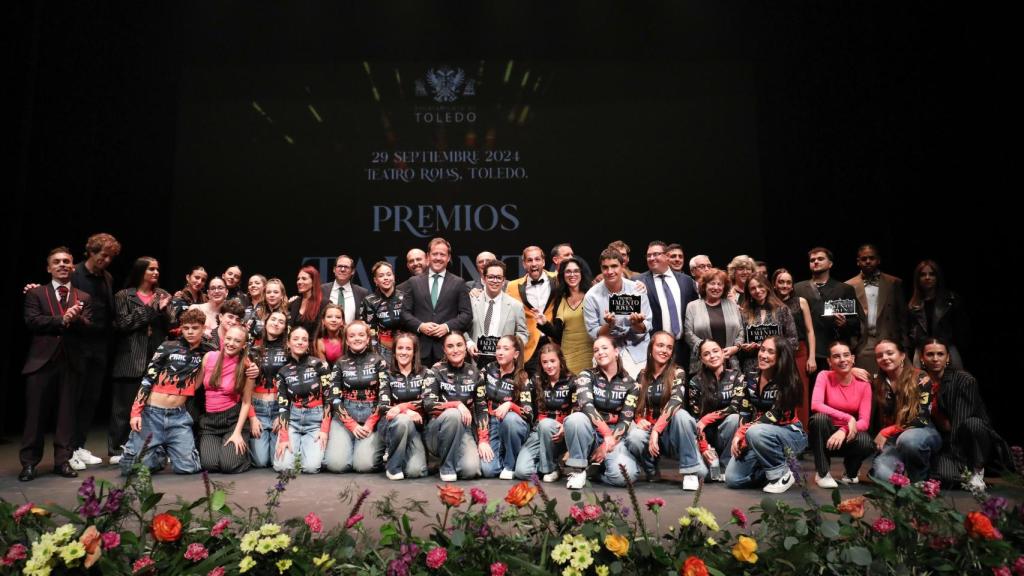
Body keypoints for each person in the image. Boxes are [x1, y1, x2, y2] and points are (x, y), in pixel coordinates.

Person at [19, 247, 93, 481]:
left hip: (70, 362)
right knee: (35, 416)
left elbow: (90, 325)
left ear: (73, 267)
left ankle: (62, 461)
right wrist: (62, 319)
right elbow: (33, 321)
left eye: (67, 262)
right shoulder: (36, 294)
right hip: (41, 363)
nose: (62, 265)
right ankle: (29, 463)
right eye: (57, 262)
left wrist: (76, 318)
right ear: (49, 267)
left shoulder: (83, 296)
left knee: (66, 415)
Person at [119, 308, 212, 476]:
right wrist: (135, 412)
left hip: (178, 416)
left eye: (195, 328)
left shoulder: (207, 351)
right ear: (181, 328)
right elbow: (148, 378)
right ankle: (158, 451)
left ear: (203, 328)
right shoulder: (168, 346)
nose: (190, 332)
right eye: (186, 328)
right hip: (152, 413)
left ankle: (160, 447)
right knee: (131, 470)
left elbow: (231, 354)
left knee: (188, 468)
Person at [920, 339, 1013, 490]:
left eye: (940, 354)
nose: (935, 358)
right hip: (945, 441)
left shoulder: (964, 380)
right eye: (930, 354)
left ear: (948, 358)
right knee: (946, 478)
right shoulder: (920, 382)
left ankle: (977, 470)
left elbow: (960, 421)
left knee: (972, 423)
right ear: (922, 358)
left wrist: (955, 457)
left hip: (970, 439)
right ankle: (959, 470)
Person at [109, 256, 173, 465]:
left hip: (156, 356)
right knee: (124, 407)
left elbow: (170, 326)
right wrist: (151, 309)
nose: (155, 272)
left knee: (153, 408)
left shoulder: (162, 295)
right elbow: (123, 323)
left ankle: (152, 449)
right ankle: (117, 448)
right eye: (151, 269)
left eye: (157, 269)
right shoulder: (124, 296)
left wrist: (163, 311)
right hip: (130, 356)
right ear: (141, 271)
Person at [623, 332, 706, 490]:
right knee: (634, 436)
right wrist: (639, 419)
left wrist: (656, 430)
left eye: (669, 347)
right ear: (650, 349)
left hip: (672, 434)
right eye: (660, 345)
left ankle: (690, 471)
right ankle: (651, 468)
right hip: (649, 435)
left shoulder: (678, 372)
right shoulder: (641, 375)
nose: (664, 350)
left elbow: (676, 402)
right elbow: (632, 405)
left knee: (703, 474)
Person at [724, 337, 807, 493]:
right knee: (733, 479)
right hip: (759, 434)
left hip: (789, 433)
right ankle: (782, 468)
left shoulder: (789, 381)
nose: (763, 355)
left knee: (755, 432)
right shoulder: (750, 376)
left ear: (781, 356)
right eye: (762, 349)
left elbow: (775, 415)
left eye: (770, 352)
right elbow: (745, 410)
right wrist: (739, 436)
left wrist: (743, 433)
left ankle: (781, 474)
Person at [69, 233, 120, 469]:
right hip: (77, 344)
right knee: (74, 397)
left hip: (99, 346)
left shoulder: (106, 277)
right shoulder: (75, 274)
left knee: (91, 398)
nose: (107, 260)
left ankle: (78, 445)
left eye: (110, 257)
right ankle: (67, 449)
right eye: (103, 255)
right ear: (91, 251)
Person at [562, 336, 642, 489]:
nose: (600, 352)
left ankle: (596, 472)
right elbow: (586, 405)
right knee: (575, 419)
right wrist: (605, 435)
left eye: (605, 348)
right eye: (596, 350)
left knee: (625, 478)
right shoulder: (586, 375)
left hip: (614, 436)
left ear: (616, 351)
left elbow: (626, 419)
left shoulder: (631, 384)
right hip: (590, 431)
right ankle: (578, 470)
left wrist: (607, 443)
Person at [869, 340, 940, 483]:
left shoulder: (921, 378)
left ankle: (920, 484)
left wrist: (887, 431)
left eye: (890, 353)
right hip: (894, 440)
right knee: (880, 472)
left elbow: (922, 419)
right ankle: (907, 490)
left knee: (908, 440)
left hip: (922, 431)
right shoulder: (878, 382)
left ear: (902, 355)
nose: (885, 358)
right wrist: (853, 369)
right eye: (879, 355)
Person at [323, 321, 388, 473]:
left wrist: (370, 424)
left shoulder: (380, 361)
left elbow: (385, 396)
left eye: (361, 335)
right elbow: (334, 397)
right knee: (336, 465)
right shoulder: (340, 363)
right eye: (352, 335)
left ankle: (360, 450)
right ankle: (349, 446)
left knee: (363, 466)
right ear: (346, 340)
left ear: (367, 339)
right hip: (346, 414)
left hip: (372, 416)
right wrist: (351, 425)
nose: (356, 338)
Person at [808, 342, 874, 488]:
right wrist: (849, 418)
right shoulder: (824, 375)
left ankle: (850, 473)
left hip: (846, 435)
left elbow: (864, 422)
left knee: (866, 441)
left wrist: (843, 430)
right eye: (836, 356)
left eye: (846, 355)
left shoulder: (864, 385)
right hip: (825, 434)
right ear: (829, 362)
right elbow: (816, 405)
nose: (842, 359)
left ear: (853, 358)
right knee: (819, 419)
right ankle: (823, 473)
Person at [399, 237, 472, 366]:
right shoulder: (414, 282)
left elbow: (466, 315)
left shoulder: (459, 283)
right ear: (428, 256)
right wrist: (421, 326)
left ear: (448, 258)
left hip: (447, 349)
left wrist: (447, 327)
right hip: (420, 349)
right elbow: (405, 314)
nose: (438, 258)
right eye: (435, 254)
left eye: (442, 254)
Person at [422, 331, 483, 481]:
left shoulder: (475, 373)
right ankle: (446, 466)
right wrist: (456, 405)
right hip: (437, 429)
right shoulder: (435, 371)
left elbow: (482, 409)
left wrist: (483, 440)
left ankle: (447, 459)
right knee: (453, 413)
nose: (455, 350)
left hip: (464, 429)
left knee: (471, 470)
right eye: (450, 346)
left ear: (465, 348)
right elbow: (428, 404)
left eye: (459, 345)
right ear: (444, 350)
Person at [583, 248, 652, 378]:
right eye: (605, 267)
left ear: (622, 266)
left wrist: (636, 324)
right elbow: (594, 334)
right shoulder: (591, 296)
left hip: (638, 350)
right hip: (607, 352)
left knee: (640, 392)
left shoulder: (636, 289)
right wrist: (609, 325)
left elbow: (647, 326)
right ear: (601, 269)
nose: (610, 271)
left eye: (614, 266)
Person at [793, 247, 861, 378]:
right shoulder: (798, 288)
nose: (816, 262)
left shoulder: (844, 289)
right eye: (812, 260)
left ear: (830, 263)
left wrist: (844, 323)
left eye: (820, 259)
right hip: (807, 351)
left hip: (833, 349)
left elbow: (856, 323)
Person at [680, 339, 745, 474]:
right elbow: (696, 419)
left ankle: (728, 465)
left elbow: (736, 406)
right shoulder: (695, 382)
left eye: (716, 351)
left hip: (728, 435)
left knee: (734, 418)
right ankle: (708, 459)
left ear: (723, 353)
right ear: (701, 359)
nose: (713, 356)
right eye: (706, 354)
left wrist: (708, 418)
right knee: (704, 475)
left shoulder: (736, 376)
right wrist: (704, 447)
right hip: (705, 436)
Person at [272, 327, 332, 474]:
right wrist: (284, 437)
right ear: (288, 343)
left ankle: (305, 451)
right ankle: (295, 449)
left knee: (311, 468)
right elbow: (283, 406)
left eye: (304, 339)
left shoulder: (321, 365)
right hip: (293, 419)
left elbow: (328, 399)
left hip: (316, 420)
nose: (300, 342)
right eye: (296, 339)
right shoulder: (282, 372)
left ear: (308, 344)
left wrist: (324, 430)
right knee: (283, 467)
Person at [514, 343, 576, 482]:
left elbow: (577, 408)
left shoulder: (572, 380)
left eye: (553, 361)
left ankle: (550, 468)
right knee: (522, 472)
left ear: (561, 360)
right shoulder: (535, 380)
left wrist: (566, 427)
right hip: (538, 430)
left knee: (547, 424)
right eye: (545, 362)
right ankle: (556, 464)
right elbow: (527, 407)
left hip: (562, 432)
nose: (549, 366)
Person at [197, 325, 254, 473]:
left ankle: (245, 453)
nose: (231, 343)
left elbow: (247, 402)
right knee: (209, 465)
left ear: (243, 345)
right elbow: (195, 385)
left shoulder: (247, 366)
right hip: (210, 422)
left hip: (232, 420)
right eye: (228, 338)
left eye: (237, 341)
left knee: (228, 465)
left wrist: (237, 432)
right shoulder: (209, 357)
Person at [476, 335, 533, 479]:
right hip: (491, 423)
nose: (500, 352)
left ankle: (510, 465)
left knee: (511, 420)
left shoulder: (522, 378)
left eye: (505, 349)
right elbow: (480, 402)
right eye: (498, 348)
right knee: (489, 471)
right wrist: (483, 439)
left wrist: (511, 405)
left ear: (515, 354)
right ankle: (506, 455)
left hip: (513, 425)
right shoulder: (488, 369)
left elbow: (529, 414)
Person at [378, 332, 434, 480]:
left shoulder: (426, 373)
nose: (404, 352)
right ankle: (393, 467)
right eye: (400, 348)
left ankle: (402, 455)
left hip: (417, 427)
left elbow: (428, 402)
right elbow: (383, 406)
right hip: (392, 425)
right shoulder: (386, 374)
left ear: (414, 352)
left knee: (416, 471)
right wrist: (406, 412)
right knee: (403, 420)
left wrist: (402, 407)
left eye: (408, 348)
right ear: (394, 351)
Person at [845, 245, 909, 370]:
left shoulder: (893, 283)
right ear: (858, 262)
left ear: (878, 260)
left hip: (890, 338)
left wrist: (905, 346)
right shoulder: (848, 285)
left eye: (871, 258)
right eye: (864, 259)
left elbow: (902, 317)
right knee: (866, 381)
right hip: (863, 342)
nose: (868, 261)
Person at [638, 240, 699, 365]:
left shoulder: (686, 281)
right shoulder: (638, 281)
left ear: (666, 256)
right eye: (648, 255)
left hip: (682, 348)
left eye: (656, 254)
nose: (651, 258)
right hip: (654, 349)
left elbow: (695, 309)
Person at [772, 268, 817, 429]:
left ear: (792, 285)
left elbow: (810, 330)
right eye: (781, 282)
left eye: (788, 282)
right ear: (775, 285)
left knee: (801, 392)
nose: (785, 285)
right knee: (780, 391)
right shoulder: (770, 303)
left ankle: (802, 431)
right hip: (777, 353)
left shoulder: (801, 301)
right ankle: (783, 430)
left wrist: (811, 357)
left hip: (800, 351)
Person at [536, 258, 594, 374]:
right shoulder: (560, 299)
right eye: (568, 272)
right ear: (563, 275)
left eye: (576, 271)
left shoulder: (592, 295)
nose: (572, 275)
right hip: (567, 355)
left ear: (582, 273)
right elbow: (557, 335)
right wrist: (544, 324)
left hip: (590, 353)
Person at [908, 260, 970, 369]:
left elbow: (961, 327)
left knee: (955, 381)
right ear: (918, 278)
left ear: (938, 277)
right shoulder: (913, 305)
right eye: (923, 274)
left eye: (932, 274)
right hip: (922, 349)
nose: (927, 277)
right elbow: (909, 331)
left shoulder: (950, 300)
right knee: (920, 383)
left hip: (947, 348)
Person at [467, 260, 528, 367]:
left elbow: (522, 333)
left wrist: (510, 348)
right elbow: (462, 327)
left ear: (503, 280)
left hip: (504, 363)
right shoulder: (471, 301)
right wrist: (469, 343)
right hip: (475, 360)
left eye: (499, 277)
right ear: (484, 279)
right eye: (491, 277)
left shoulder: (515, 305)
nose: (495, 281)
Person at [505, 245, 557, 371]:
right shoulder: (512, 286)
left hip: (553, 340)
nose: (534, 263)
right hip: (529, 345)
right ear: (524, 264)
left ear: (543, 262)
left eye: (537, 259)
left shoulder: (557, 279)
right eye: (529, 260)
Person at [683, 268, 744, 375]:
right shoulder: (692, 306)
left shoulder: (733, 305)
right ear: (704, 286)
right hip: (702, 363)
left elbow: (741, 331)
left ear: (724, 287)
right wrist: (709, 350)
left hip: (730, 362)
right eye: (712, 283)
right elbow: (688, 334)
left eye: (720, 284)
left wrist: (736, 347)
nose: (716, 287)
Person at [249, 310, 289, 468]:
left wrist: (283, 415)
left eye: (281, 321)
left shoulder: (289, 351)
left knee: (275, 461)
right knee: (260, 462)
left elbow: (292, 386)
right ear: (265, 323)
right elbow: (244, 389)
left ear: (285, 327)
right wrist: (252, 417)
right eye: (273, 319)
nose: (276, 323)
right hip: (257, 408)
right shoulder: (252, 351)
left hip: (278, 408)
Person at [737, 275, 798, 373]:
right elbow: (740, 339)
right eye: (753, 288)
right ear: (749, 292)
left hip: (777, 365)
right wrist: (744, 347)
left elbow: (793, 342)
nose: (757, 290)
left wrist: (773, 347)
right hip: (752, 366)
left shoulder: (782, 310)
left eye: (760, 286)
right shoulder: (744, 313)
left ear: (767, 287)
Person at [360, 261, 406, 365]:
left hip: (405, 348)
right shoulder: (369, 301)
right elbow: (370, 330)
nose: (386, 278)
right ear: (376, 280)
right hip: (382, 349)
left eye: (389, 274)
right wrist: (375, 354)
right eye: (381, 276)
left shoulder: (405, 297)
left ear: (393, 277)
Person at [321, 254, 369, 323]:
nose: (342, 269)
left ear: (352, 271)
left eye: (346, 267)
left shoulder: (362, 293)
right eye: (340, 266)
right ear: (334, 269)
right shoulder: (322, 290)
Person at [289, 265, 326, 338]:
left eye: (304, 279)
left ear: (313, 282)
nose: (299, 282)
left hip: (314, 347)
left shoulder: (324, 304)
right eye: (298, 279)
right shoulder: (294, 303)